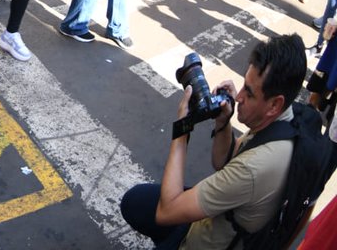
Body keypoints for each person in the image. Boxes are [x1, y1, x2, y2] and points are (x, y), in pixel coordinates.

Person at [120, 34, 306, 250]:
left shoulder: (253, 169)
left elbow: (166, 211)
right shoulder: (285, 119)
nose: (239, 97)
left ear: (274, 105)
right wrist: (223, 121)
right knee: (135, 201)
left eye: (249, 93)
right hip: (217, 215)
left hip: (203, 241)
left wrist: (182, 129)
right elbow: (223, 162)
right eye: (244, 85)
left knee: (159, 211)